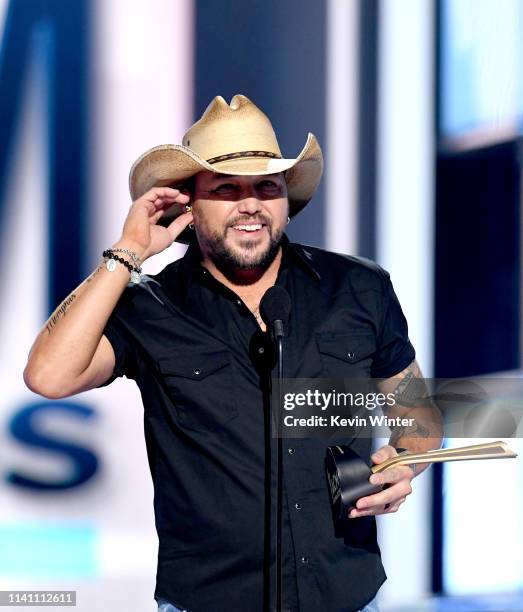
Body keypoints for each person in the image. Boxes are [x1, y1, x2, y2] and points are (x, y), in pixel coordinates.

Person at [24, 94, 442, 612]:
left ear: (286, 199)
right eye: (226, 189)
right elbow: (48, 375)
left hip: (345, 595)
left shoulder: (358, 287)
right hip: (210, 599)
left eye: (266, 187)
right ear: (188, 207)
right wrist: (127, 252)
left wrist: (403, 462)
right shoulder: (149, 307)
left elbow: (419, 418)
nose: (250, 204)